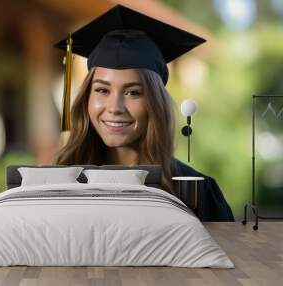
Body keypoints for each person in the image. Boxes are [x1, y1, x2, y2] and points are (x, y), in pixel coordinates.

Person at [54, 5, 234, 222]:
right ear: (86, 99)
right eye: (102, 90)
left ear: (156, 103)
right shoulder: (61, 185)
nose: (115, 107)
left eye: (133, 92)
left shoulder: (196, 191)